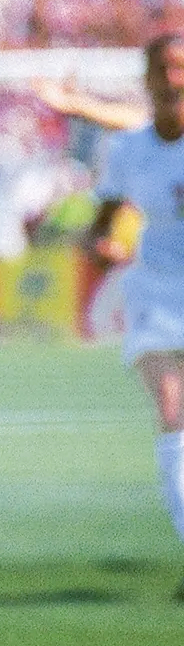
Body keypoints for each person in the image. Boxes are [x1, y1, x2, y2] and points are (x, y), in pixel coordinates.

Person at [84, 34, 184, 599]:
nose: (173, 79)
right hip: (157, 296)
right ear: (147, 79)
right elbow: (101, 225)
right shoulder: (128, 151)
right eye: (163, 69)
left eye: (181, 69)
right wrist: (101, 246)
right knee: (172, 409)